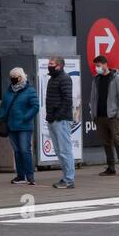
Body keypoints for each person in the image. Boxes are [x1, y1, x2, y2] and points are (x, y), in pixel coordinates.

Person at [0, 67, 40, 186]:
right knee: (17, 151)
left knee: (25, 150)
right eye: (11, 77)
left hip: (24, 126)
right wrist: (2, 117)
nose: (12, 79)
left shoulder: (30, 90)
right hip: (11, 125)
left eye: (15, 77)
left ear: (21, 77)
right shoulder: (9, 91)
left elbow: (35, 106)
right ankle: (20, 176)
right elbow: (4, 106)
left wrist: (25, 118)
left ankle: (30, 176)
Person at [89, 55, 119, 177]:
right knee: (106, 142)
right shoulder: (96, 80)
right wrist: (93, 114)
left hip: (113, 117)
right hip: (99, 117)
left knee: (117, 141)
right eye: (96, 66)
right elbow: (93, 98)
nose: (97, 68)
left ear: (105, 65)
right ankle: (111, 168)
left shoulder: (117, 79)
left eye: (98, 65)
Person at [43, 56, 75, 189]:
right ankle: (66, 177)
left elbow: (67, 100)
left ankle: (69, 179)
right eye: (49, 63)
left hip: (61, 120)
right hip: (53, 119)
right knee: (59, 150)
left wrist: (58, 116)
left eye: (51, 63)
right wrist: (50, 117)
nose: (49, 65)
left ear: (59, 66)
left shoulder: (64, 78)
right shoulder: (53, 79)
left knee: (64, 150)